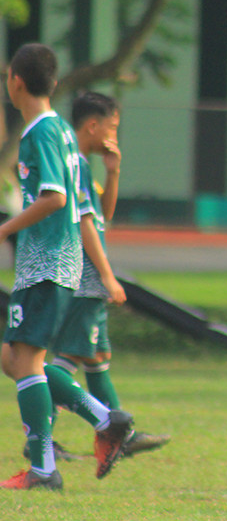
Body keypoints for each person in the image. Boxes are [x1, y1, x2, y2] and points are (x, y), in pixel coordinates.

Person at [0, 43, 133, 491]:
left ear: (15, 81)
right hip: (56, 262)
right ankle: (103, 418)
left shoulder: (40, 132)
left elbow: (55, 197)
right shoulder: (61, 131)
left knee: (27, 361)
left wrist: (4, 230)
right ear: (52, 83)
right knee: (14, 359)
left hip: (47, 262)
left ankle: (43, 468)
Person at [37, 91, 170, 459]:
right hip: (85, 278)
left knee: (96, 357)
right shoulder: (74, 164)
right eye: (112, 128)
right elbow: (86, 225)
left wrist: (113, 172)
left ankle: (120, 438)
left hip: (84, 276)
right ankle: (41, 441)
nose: (114, 135)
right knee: (62, 361)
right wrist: (109, 277)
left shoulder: (83, 164)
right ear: (92, 125)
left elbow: (102, 214)